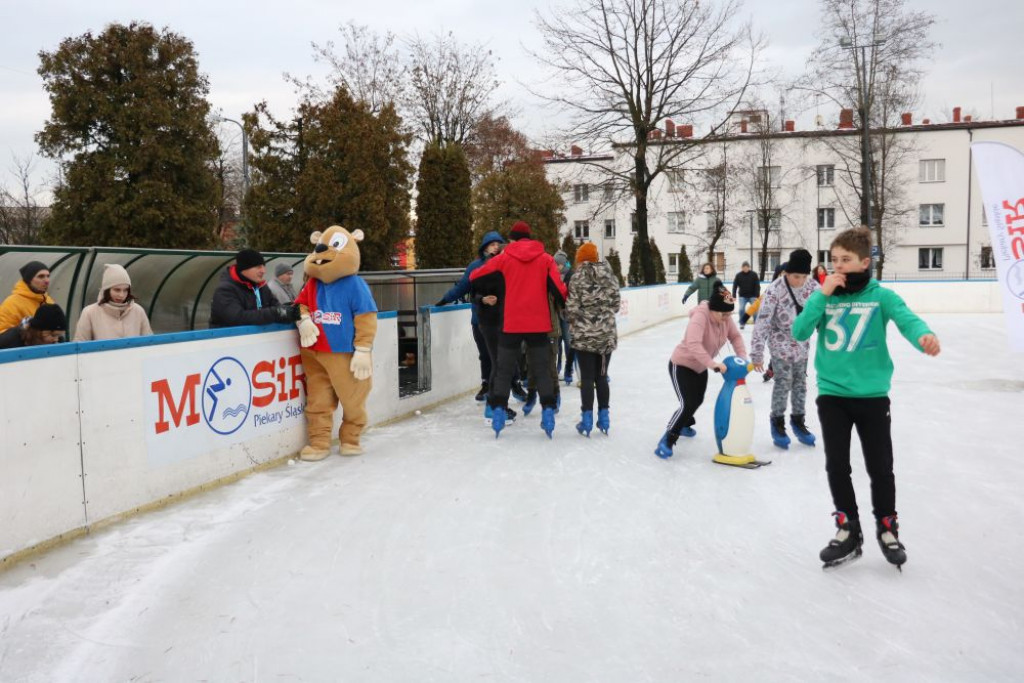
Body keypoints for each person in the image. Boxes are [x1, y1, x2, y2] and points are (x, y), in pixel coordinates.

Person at [793, 227, 941, 569]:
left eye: (845, 259)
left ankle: (887, 528)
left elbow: (908, 320)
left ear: (864, 262)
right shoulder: (824, 296)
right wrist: (821, 295)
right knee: (837, 465)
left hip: (872, 397)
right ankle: (848, 528)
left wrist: (924, 336)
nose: (838, 266)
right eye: (834, 259)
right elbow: (799, 332)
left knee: (880, 466)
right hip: (832, 395)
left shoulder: (881, 297)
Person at [469, 220, 567, 437]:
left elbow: (475, 276)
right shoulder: (545, 259)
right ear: (529, 238)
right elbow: (559, 289)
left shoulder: (504, 258)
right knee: (542, 369)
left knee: (503, 370)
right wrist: (565, 306)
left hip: (511, 323)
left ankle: (497, 412)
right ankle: (548, 411)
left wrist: (494, 284)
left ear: (512, 239)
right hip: (538, 324)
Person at [655, 287, 747, 459]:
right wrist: (713, 364)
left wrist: (742, 358)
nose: (727, 318)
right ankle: (668, 438)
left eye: (729, 314)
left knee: (697, 401)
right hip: (681, 365)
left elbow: (735, 337)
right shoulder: (700, 317)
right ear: (713, 309)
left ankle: (684, 424)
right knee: (688, 403)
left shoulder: (725, 317)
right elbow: (693, 344)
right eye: (724, 314)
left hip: (701, 366)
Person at [749, 249, 819, 449]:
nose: (800, 281)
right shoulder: (775, 289)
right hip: (780, 342)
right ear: (787, 273)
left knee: (800, 384)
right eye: (796, 276)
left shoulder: (813, 287)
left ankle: (798, 421)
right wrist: (757, 353)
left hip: (802, 345)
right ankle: (777, 422)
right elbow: (762, 322)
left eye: (804, 277)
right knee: (783, 382)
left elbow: (824, 310)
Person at [437, 231, 515, 403]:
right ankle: (486, 384)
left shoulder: (506, 265)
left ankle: (514, 383)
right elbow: (463, 287)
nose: (495, 247)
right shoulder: (475, 266)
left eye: (498, 244)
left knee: (505, 354)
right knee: (485, 354)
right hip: (480, 319)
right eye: (492, 244)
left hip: (502, 319)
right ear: (485, 247)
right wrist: (445, 299)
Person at [565, 242, 620, 436]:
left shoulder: (576, 277)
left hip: (584, 337)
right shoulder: (610, 275)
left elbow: (571, 308)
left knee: (587, 378)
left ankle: (586, 419)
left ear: (580, 259)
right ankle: (604, 417)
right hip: (605, 337)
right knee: (602, 377)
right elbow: (616, 305)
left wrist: (578, 318)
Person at [209, 249, 299, 328]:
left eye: (263, 266)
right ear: (244, 268)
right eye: (258, 267)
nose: (263, 271)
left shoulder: (262, 287)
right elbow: (237, 318)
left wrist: (289, 310)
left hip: (257, 339)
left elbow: (276, 307)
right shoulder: (225, 290)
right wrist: (275, 313)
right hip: (227, 340)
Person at [73, 264, 153, 341]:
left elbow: (150, 342)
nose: (121, 295)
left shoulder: (138, 311)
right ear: (106, 290)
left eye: (125, 290)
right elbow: (80, 345)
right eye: (117, 290)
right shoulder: (89, 313)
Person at [0, 261, 55, 332]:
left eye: (48, 276)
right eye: (41, 276)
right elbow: (2, 333)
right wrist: (25, 332)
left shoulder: (48, 300)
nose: (47, 281)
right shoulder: (12, 303)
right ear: (28, 280)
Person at [553, 250, 576, 384]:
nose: (556, 266)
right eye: (554, 264)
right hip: (557, 313)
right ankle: (557, 368)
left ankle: (569, 369)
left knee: (568, 341)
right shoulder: (553, 274)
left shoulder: (571, 275)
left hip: (567, 314)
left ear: (562, 264)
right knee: (557, 342)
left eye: (558, 264)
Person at [0, 303, 66, 349]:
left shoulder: (59, 342)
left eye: (58, 335)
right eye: (52, 335)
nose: (56, 340)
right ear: (38, 331)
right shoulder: (9, 341)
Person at [731, 261, 761, 329]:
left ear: (749, 267)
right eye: (744, 267)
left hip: (753, 296)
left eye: (746, 267)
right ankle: (742, 323)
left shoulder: (754, 275)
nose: (745, 268)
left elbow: (757, 286)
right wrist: (734, 296)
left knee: (755, 309)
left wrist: (757, 296)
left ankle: (756, 323)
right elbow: (735, 286)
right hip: (742, 296)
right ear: (742, 268)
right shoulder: (738, 275)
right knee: (741, 309)